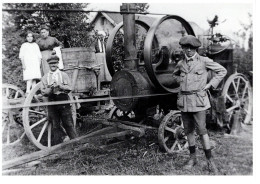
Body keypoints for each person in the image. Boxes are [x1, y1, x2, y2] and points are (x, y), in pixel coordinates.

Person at [172, 35, 227, 174]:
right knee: (188, 131)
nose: (189, 50)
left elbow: (222, 71)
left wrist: (210, 84)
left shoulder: (203, 61)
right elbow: (174, 75)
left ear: (196, 49)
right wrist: (182, 82)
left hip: (199, 101)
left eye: (192, 48)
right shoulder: (180, 64)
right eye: (186, 47)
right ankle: (192, 158)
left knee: (202, 131)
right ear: (183, 48)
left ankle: (210, 161)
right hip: (184, 101)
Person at [41, 52, 77, 144]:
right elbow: (43, 92)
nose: (53, 65)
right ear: (48, 65)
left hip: (63, 101)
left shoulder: (63, 75)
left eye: (55, 63)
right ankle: (58, 146)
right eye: (51, 64)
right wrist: (50, 89)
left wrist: (60, 86)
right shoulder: (45, 77)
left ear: (57, 64)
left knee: (68, 123)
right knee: (55, 125)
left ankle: (76, 143)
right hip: (52, 102)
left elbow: (70, 88)